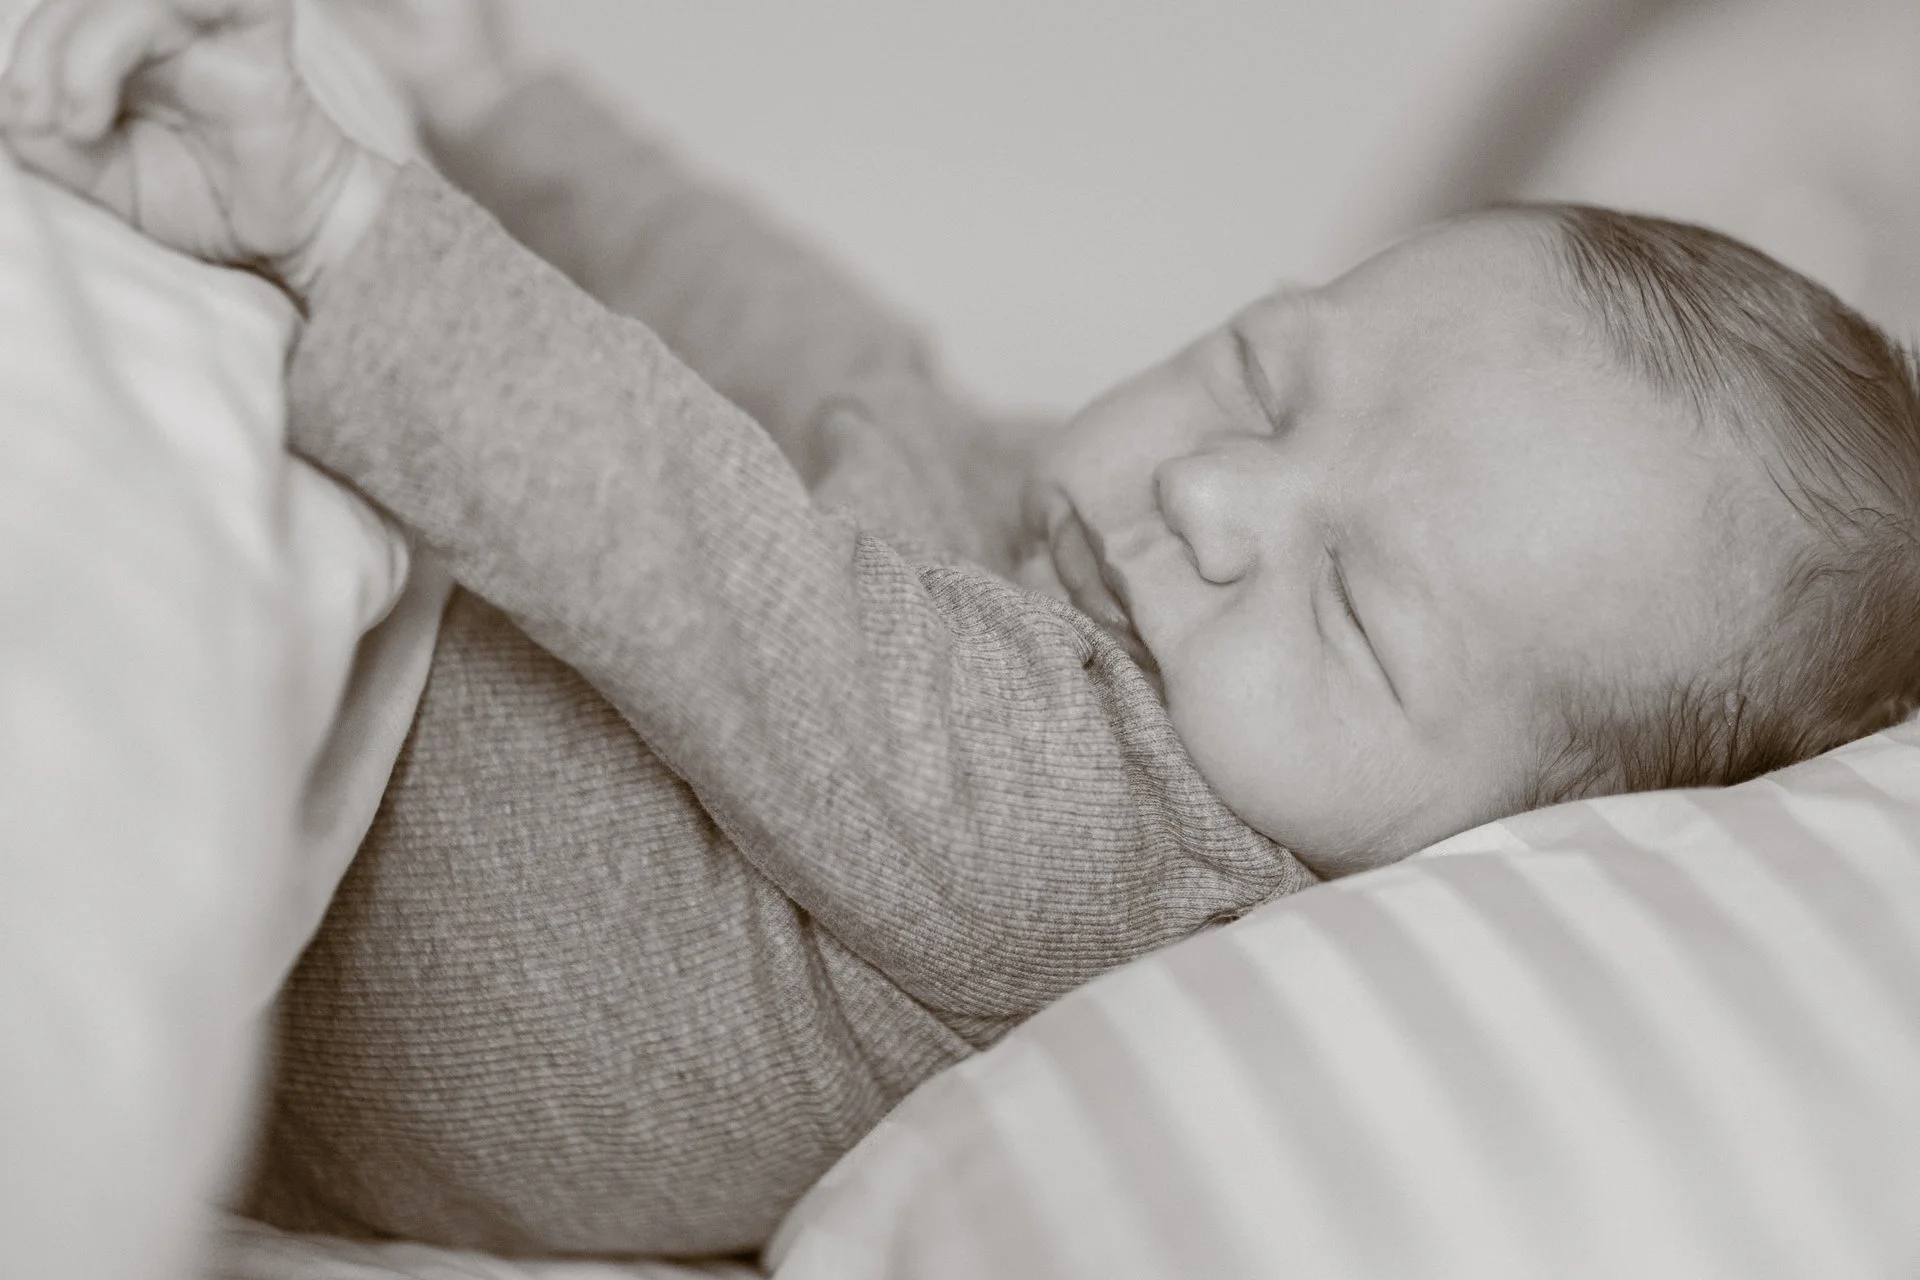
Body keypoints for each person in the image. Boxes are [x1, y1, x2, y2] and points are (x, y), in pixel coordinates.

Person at [5, 0, 1917, 1258]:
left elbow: (714, 558)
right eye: (1264, 377)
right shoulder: (1096, 532)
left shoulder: (1119, 841)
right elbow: (836, 360)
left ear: (1484, 841)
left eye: (1353, 610)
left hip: (274, 913)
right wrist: (515, 108)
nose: (1216, 496)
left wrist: (351, 227)